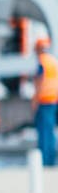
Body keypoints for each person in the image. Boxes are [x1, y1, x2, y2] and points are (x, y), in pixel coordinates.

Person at [32, 37, 58, 166]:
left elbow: (39, 83)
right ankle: (51, 159)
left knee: (44, 132)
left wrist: (35, 101)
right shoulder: (53, 61)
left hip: (44, 101)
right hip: (54, 100)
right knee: (51, 131)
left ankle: (45, 161)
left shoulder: (42, 62)